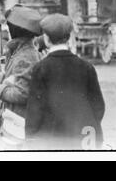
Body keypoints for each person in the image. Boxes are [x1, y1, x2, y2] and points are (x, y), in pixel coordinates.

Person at [25, 13, 105, 150]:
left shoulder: (40, 68)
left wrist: (31, 136)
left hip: (53, 139)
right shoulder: (87, 67)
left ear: (47, 39)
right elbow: (98, 106)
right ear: (68, 38)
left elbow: (35, 109)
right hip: (85, 138)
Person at [0, 5, 43, 118]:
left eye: (9, 27)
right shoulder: (21, 51)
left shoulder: (25, 56)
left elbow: (23, 94)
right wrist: (3, 77)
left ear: (14, 30)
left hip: (19, 119)